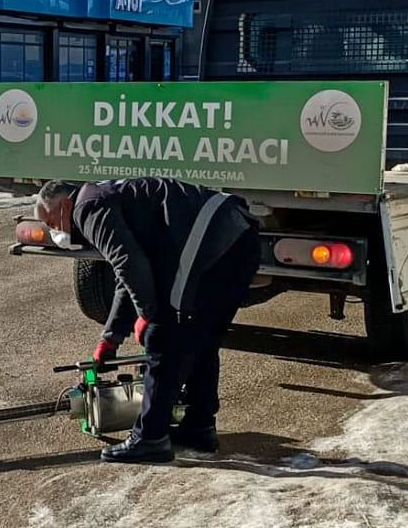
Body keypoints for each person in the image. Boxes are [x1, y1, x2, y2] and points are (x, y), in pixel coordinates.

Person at [35, 178, 261, 464]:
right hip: (237, 238)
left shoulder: (86, 207)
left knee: (162, 335)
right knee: (201, 338)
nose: (56, 231)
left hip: (214, 239)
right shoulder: (106, 197)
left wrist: (147, 314)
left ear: (65, 205)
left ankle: (150, 438)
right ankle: (199, 427)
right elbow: (126, 275)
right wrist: (111, 337)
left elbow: (128, 264)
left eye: (52, 222)